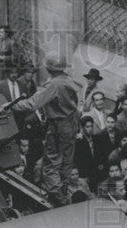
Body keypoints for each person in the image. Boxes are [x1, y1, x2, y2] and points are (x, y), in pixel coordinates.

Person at [9, 53, 79, 206]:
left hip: (58, 126)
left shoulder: (52, 85)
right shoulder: (68, 80)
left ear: (48, 68)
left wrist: (10, 106)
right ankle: (65, 191)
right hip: (71, 124)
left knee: (50, 164)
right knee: (66, 161)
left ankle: (59, 199)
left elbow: (32, 104)